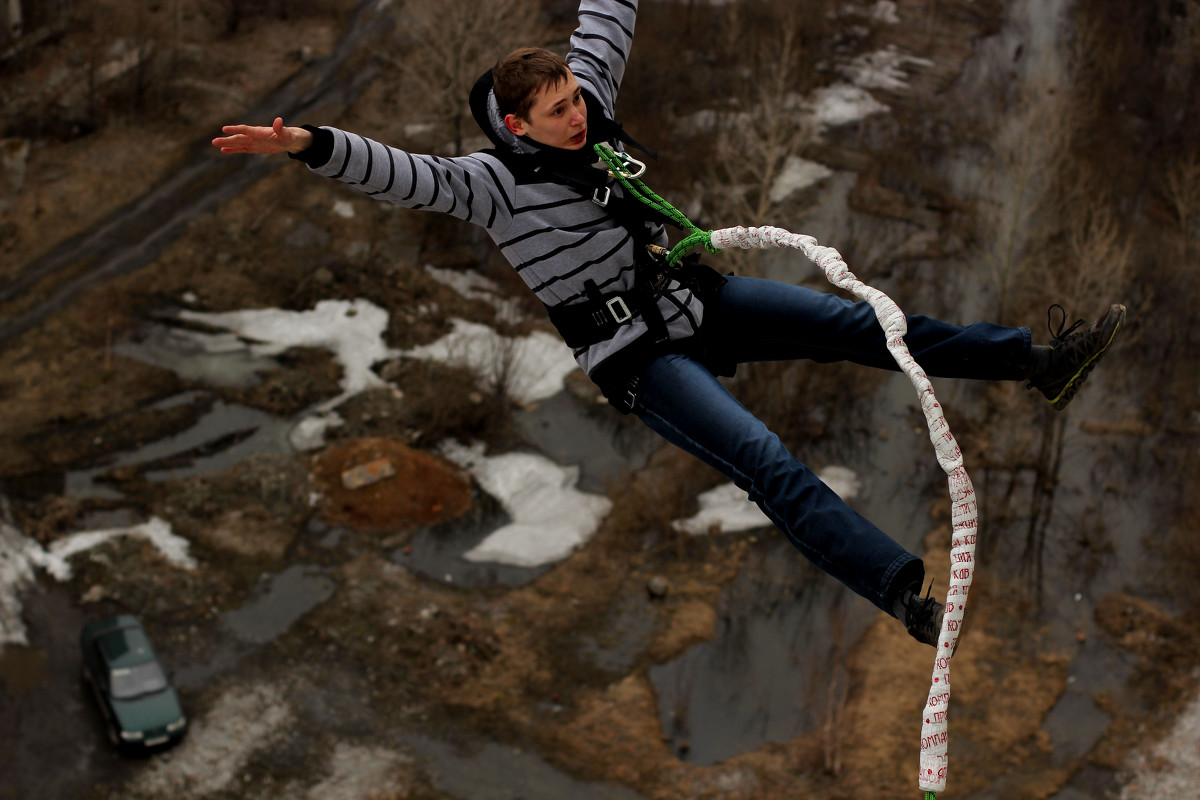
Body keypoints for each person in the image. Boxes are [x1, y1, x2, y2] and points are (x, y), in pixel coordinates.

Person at [212, 0, 1126, 649]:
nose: (579, 115)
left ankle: (1042, 365)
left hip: (694, 298)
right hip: (639, 356)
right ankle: (902, 595)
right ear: (519, 128)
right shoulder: (492, 185)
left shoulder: (591, 103)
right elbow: (403, 174)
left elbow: (608, 15)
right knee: (767, 462)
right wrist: (307, 147)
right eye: (559, 111)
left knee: (866, 329)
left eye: (577, 98)